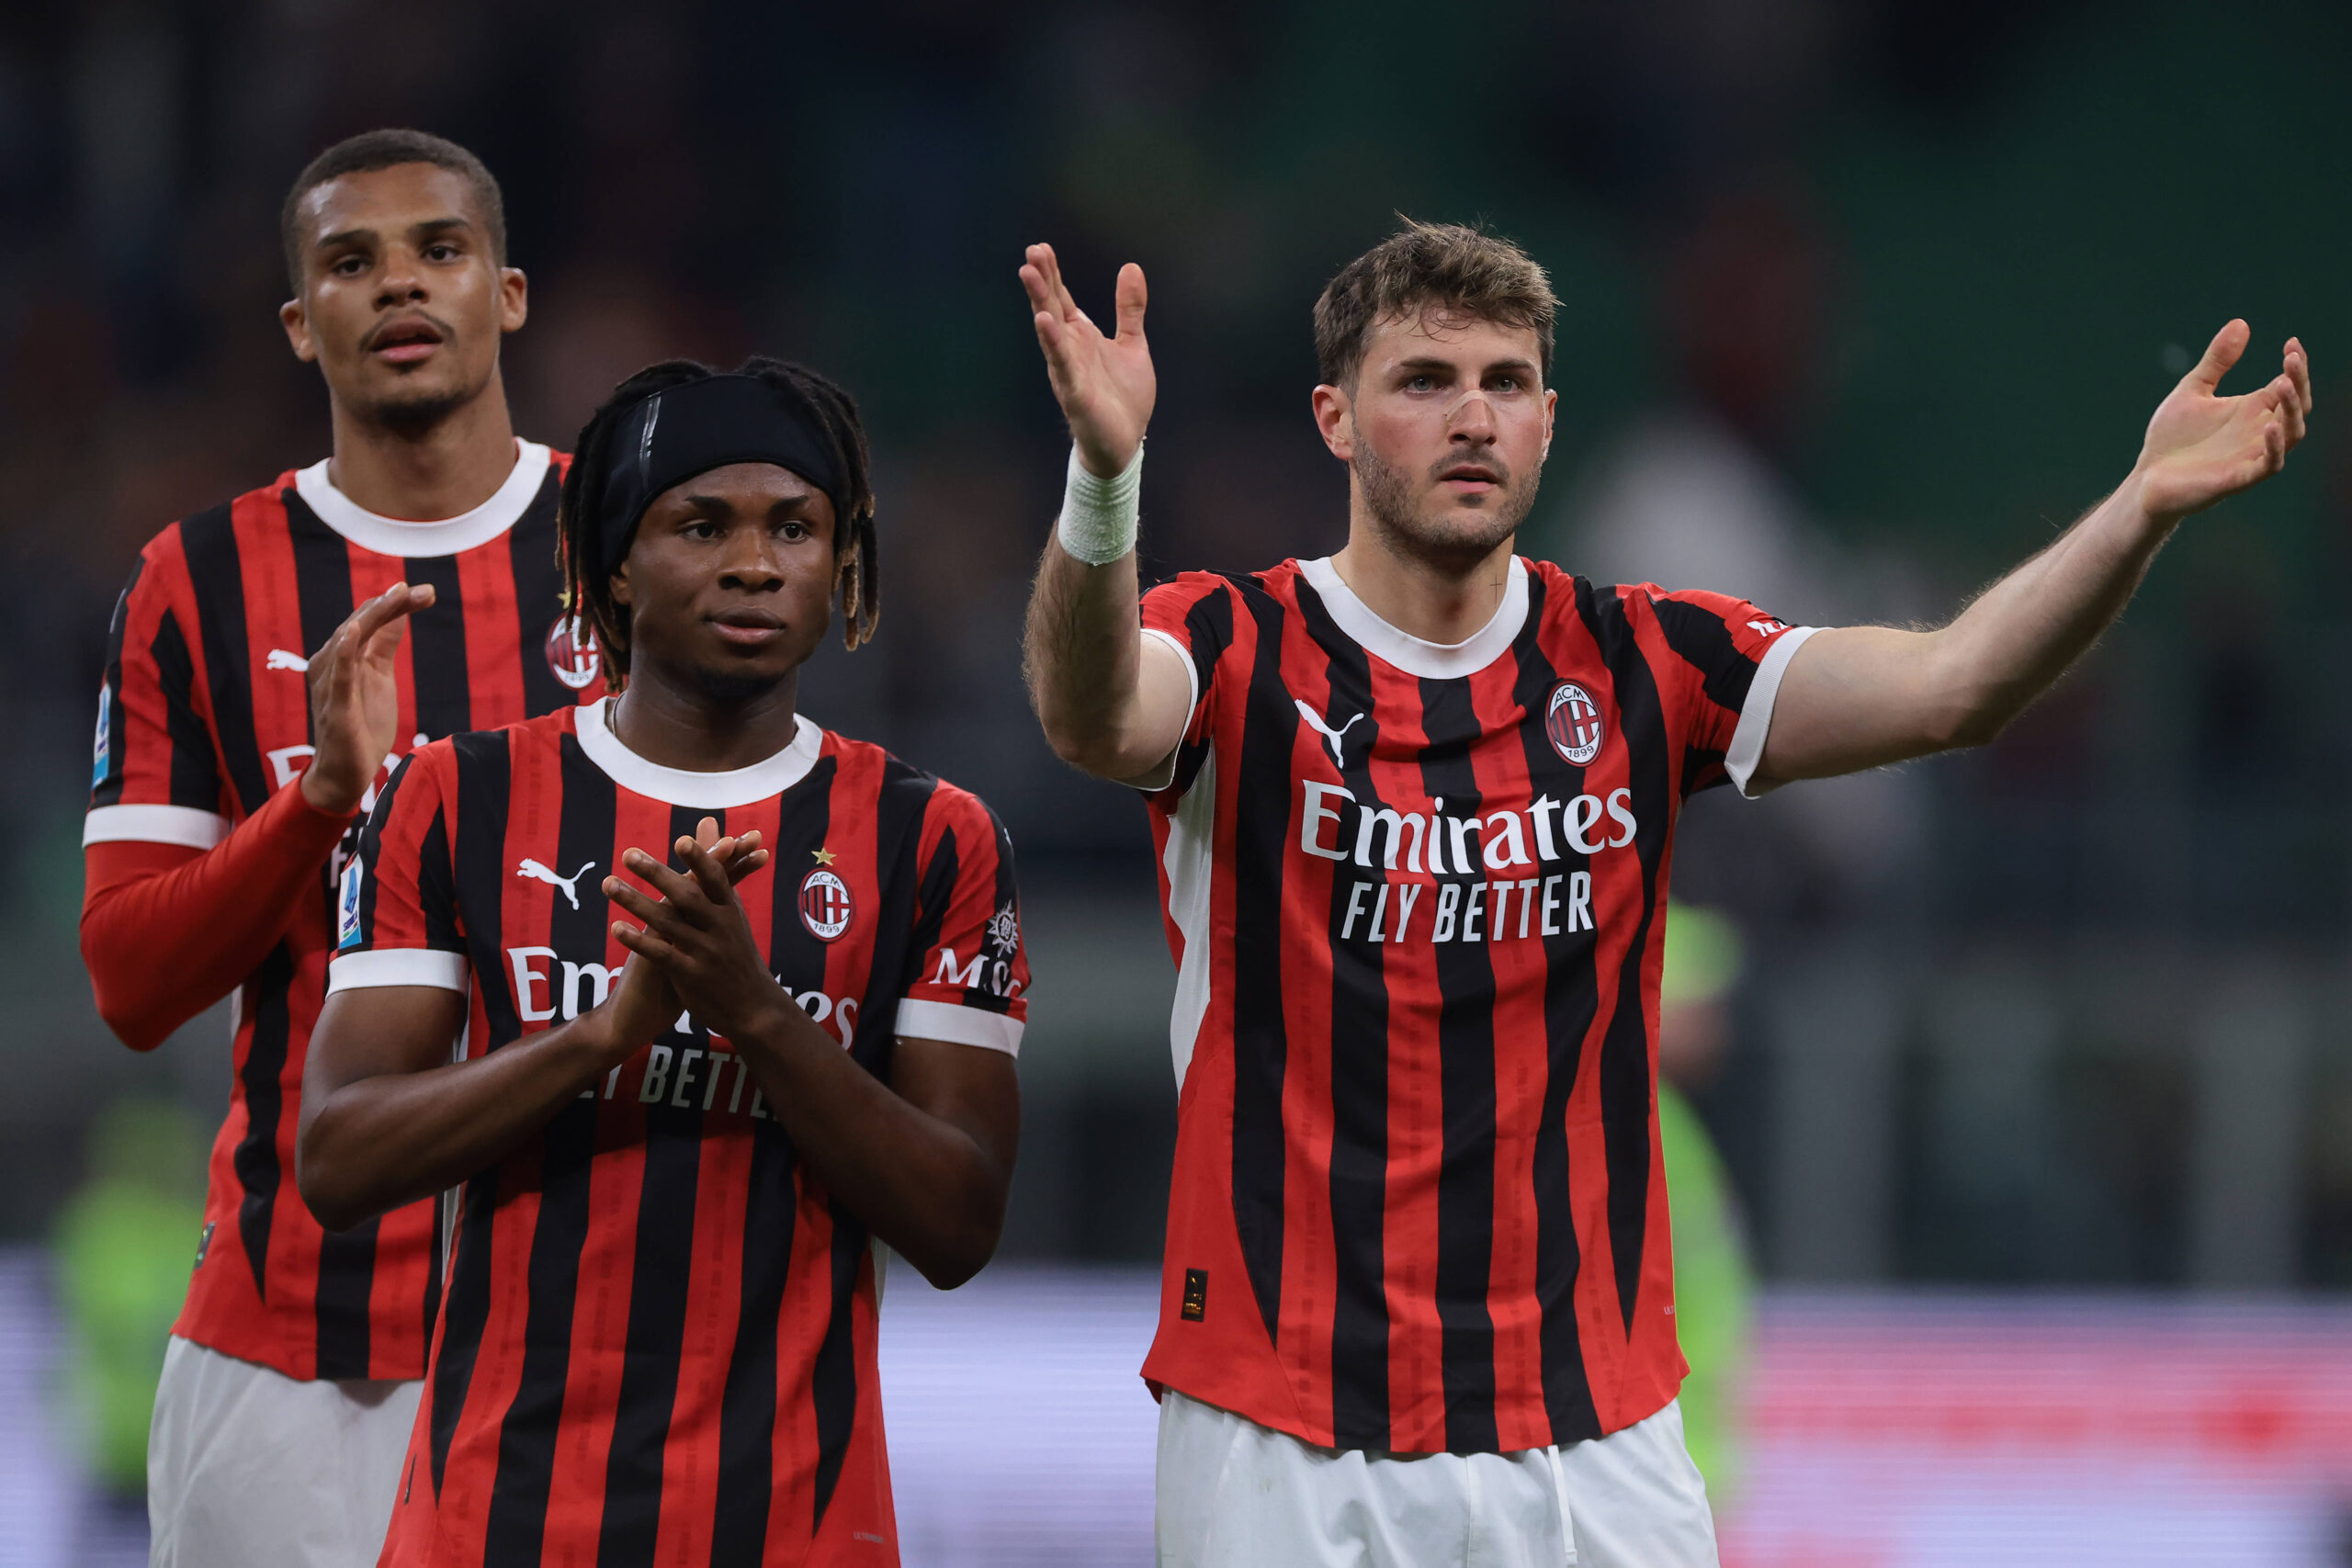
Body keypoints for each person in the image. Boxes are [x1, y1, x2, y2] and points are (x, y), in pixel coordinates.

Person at [1015, 220, 2310, 1567]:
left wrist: (2139, 507)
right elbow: (1089, 715)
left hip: (1596, 1439)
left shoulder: (1644, 658)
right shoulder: (1235, 643)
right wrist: (1105, 479)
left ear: (1549, 421)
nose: (1473, 417)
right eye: (1426, 381)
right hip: (1287, 1427)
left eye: (1507, 383)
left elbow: (1954, 687)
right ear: (1336, 419)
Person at [299, 357, 1025, 1567]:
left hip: (790, 1526)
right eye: (701, 525)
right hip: (495, 1520)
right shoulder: (456, 795)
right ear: (617, 566)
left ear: (841, 563)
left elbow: (959, 1224)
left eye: (795, 527)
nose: (755, 564)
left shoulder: (935, 836)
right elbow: (336, 1159)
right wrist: (599, 1038)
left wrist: (758, 1016)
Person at [79, 128, 603, 1565]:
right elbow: (130, 982)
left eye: (441, 249)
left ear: (508, 293)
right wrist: (314, 803)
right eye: (353, 262)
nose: (400, 285)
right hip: (294, 1350)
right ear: (303, 325)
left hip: (594, 1339)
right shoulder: (195, 580)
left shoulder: (633, 552)